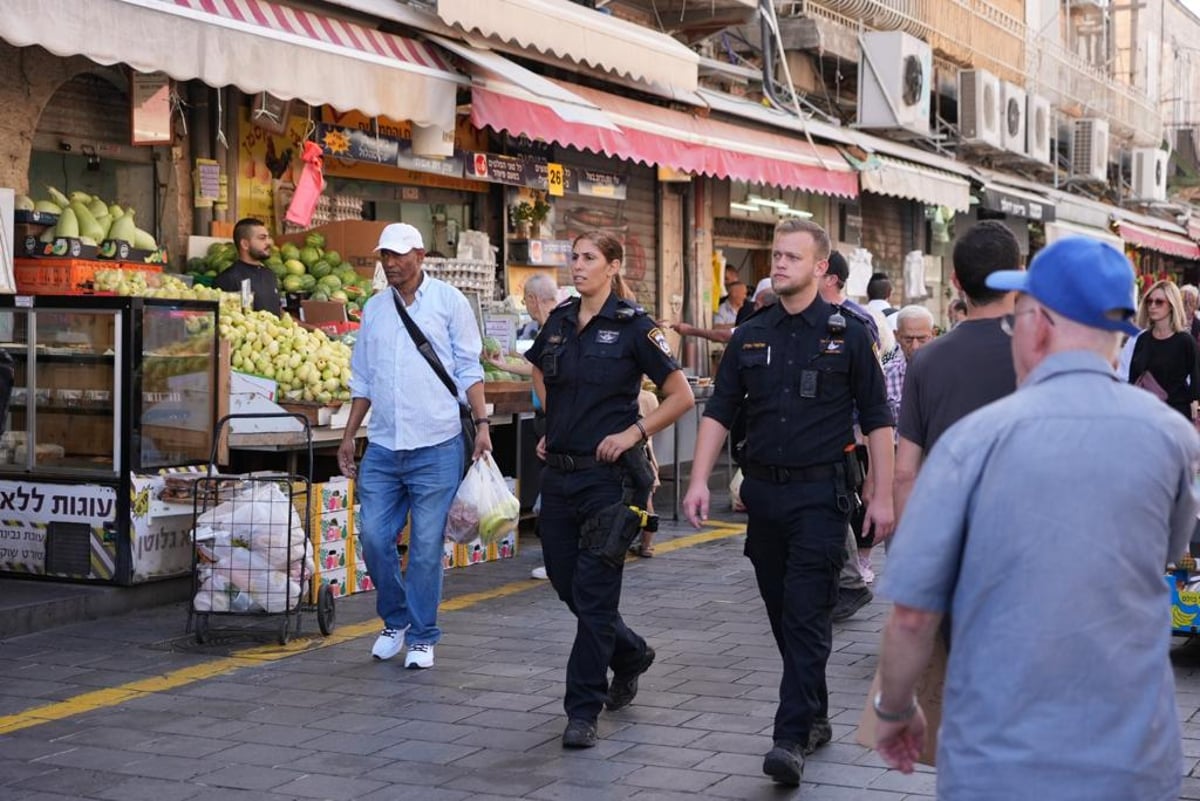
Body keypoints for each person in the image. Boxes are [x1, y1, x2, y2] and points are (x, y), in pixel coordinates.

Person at [874, 236, 1198, 801]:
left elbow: (911, 618)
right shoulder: (1172, 438)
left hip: (999, 761)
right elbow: (1165, 555)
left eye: (1016, 320)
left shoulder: (972, 442)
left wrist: (896, 708)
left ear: (1041, 325)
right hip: (1134, 761)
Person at [682, 219, 895, 787]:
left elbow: (878, 419)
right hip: (765, 495)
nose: (777, 265)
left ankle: (789, 737)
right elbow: (721, 410)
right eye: (775, 256)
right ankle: (816, 712)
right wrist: (699, 479)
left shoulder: (849, 332)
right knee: (783, 613)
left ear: (821, 268)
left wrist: (882, 494)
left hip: (822, 496)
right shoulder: (753, 332)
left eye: (791, 257)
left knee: (805, 613)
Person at [526, 231, 693, 749]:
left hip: (607, 481)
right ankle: (630, 652)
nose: (577, 266)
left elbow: (680, 394)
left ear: (613, 266)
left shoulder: (634, 327)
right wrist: (551, 424)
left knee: (595, 597)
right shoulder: (558, 321)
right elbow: (539, 369)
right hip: (558, 474)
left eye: (588, 258)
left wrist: (633, 434)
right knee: (563, 580)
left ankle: (582, 709)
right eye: (574, 257)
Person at [337, 223, 492, 670]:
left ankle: (422, 635)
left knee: (425, 545)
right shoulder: (375, 309)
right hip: (384, 445)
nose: (391, 264)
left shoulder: (449, 302)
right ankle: (397, 619)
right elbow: (362, 379)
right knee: (372, 537)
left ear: (420, 255)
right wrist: (350, 434)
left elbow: (468, 367)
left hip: (438, 443)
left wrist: (481, 424)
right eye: (385, 255)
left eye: (400, 255)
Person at [893, 220, 1020, 521]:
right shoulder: (1045, 351)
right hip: (1026, 533)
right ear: (1017, 277)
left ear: (956, 281)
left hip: (947, 529)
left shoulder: (925, 359)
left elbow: (905, 473)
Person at [820, 250, 888, 622]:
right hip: (826, 433)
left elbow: (870, 388)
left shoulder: (858, 321)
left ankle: (851, 580)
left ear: (829, 276)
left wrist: (866, 440)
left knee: (843, 505)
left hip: (851, 435)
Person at [1129, 280, 1200, 421]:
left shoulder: (1185, 341)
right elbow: (1133, 378)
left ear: (1172, 306)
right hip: (1146, 414)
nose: (1152, 306)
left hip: (1176, 415)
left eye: (1159, 302)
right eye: (1149, 301)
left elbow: (1196, 379)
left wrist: (1194, 407)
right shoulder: (1143, 339)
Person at [214, 218, 282, 315]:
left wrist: (306, 326)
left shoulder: (270, 274)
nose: (268, 242)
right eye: (262, 238)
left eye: (268, 237)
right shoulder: (228, 279)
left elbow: (279, 311)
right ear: (245, 244)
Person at [884, 306, 936, 427]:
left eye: (922, 339)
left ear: (933, 334)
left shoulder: (946, 374)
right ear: (896, 336)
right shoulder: (885, 375)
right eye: (908, 339)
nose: (915, 346)